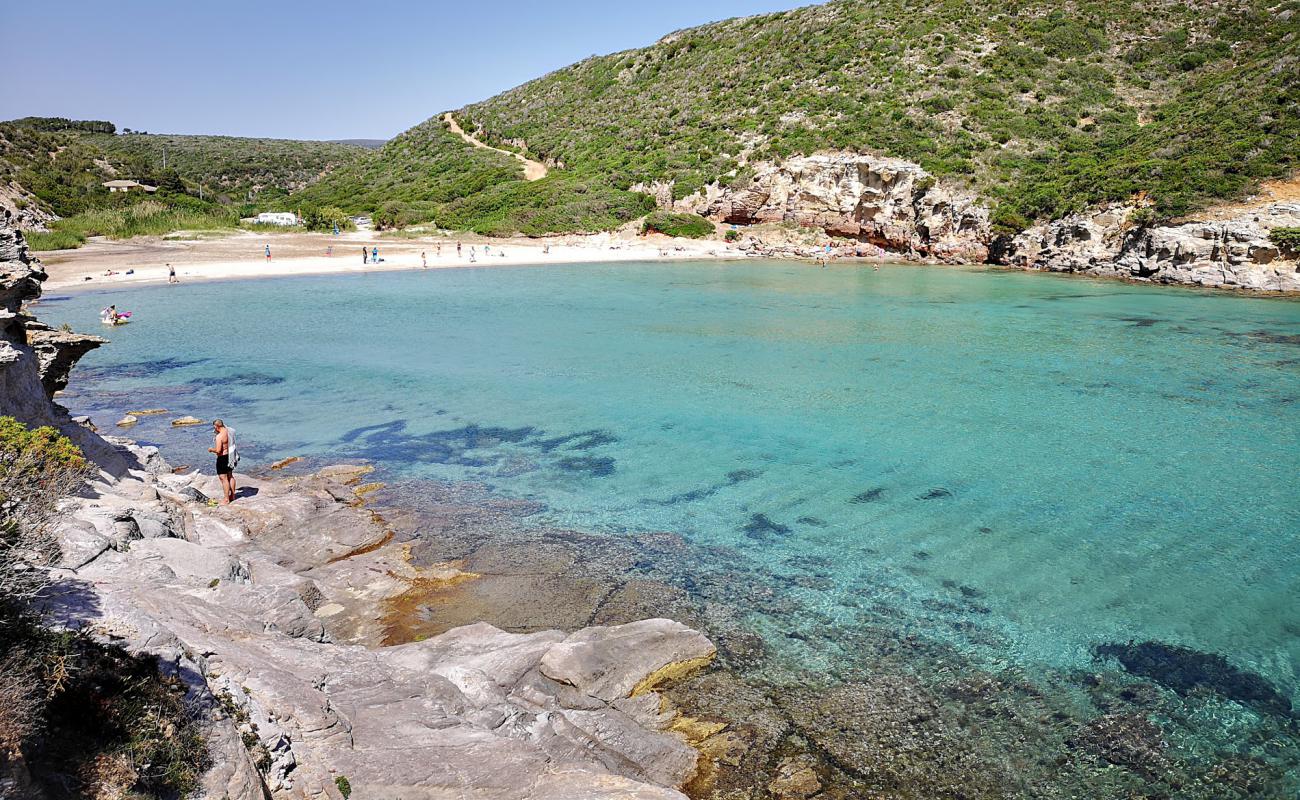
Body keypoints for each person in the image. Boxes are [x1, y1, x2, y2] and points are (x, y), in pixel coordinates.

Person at [208, 419, 237, 504]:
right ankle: (233, 495)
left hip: (222, 458)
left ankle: (226, 499)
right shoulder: (229, 431)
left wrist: (211, 450)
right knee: (230, 476)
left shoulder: (219, 436)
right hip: (230, 456)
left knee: (223, 478)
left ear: (216, 426)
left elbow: (218, 450)